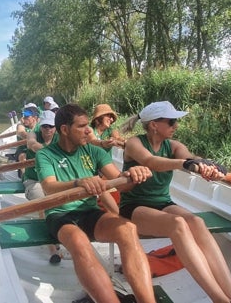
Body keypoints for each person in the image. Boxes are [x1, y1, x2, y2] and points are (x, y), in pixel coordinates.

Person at [120, 101, 231, 303]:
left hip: (163, 203)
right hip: (134, 206)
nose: (175, 126)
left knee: (197, 222)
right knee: (178, 224)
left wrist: (206, 166)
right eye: (171, 121)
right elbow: (153, 163)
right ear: (153, 125)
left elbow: (189, 157)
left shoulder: (174, 146)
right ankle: (220, 299)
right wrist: (185, 164)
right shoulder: (135, 143)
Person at [35, 103, 156, 303]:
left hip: (89, 212)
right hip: (60, 215)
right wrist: (79, 182)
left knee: (128, 229)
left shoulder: (94, 151)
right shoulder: (45, 155)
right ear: (65, 130)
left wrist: (133, 173)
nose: (88, 130)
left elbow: (120, 182)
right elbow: (49, 187)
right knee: (80, 242)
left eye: (87, 125)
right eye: (81, 126)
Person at [23, 110, 61, 263]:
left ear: (56, 127)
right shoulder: (33, 133)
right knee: (44, 203)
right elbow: (31, 143)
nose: (48, 130)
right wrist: (47, 152)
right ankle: (52, 248)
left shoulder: (61, 137)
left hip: (53, 180)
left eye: (51, 127)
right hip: (34, 180)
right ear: (40, 125)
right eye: (45, 126)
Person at [14, 103, 40, 172]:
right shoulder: (21, 126)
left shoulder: (41, 127)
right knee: (23, 156)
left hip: (35, 150)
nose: (23, 118)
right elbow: (21, 132)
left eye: (26, 116)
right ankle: (24, 176)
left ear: (35, 118)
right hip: (23, 150)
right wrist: (32, 138)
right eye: (23, 116)